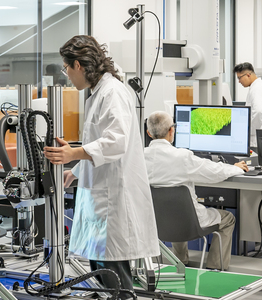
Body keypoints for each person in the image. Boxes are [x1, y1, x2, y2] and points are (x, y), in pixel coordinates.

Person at [44, 35, 158, 296]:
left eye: (66, 68)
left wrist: (74, 153)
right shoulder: (98, 93)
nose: (67, 75)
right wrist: (76, 169)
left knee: (113, 272)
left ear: (78, 66)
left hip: (114, 200)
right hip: (101, 197)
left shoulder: (113, 92)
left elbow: (116, 142)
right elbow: (98, 142)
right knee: (101, 269)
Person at [142, 111, 247, 270]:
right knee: (228, 219)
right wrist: (235, 168)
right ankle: (215, 269)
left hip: (157, 223)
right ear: (172, 131)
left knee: (173, 212)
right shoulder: (182, 157)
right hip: (190, 223)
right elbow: (214, 172)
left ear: (149, 133)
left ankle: (180, 262)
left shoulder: (140, 157)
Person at [234, 62, 262, 147]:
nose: (239, 81)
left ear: (248, 75)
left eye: (239, 78)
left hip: (255, 138)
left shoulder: (256, 88)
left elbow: (258, 112)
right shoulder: (258, 86)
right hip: (259, 135)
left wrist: (248, 131)